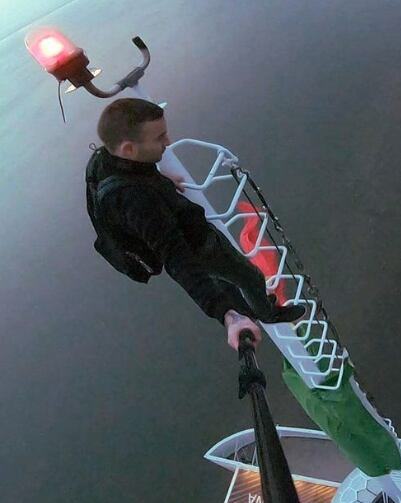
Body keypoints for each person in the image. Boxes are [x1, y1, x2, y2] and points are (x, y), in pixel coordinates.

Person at [86, 98, 304, 350]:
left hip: (183, 228)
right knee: (249, 275)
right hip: (197, 246)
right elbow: (177, 260)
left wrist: (160, 180)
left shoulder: (104, 160)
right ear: (128, 150)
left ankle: (241, 303)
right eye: (159, 138)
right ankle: (265, 313)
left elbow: (134, 173)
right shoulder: (137, 202)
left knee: (223, 280)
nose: (168, 142)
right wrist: (227, 316)